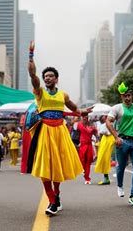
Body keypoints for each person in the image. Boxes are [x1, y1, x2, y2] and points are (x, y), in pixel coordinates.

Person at [27, 44, 89, 216]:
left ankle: (57, 194)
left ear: (56, 79)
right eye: (45, 76)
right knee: (45, 166)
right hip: (44, 131)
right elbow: (32, 75)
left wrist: (82, 112)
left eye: (50, 76)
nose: (47, 78)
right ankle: (52, 200)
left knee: (58, 165)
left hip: (60, 131)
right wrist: (31, 56)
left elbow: (74, 107)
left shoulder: (63, 95)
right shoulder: (39, 92)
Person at [106, 82, 133, 207]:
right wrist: (116, 137)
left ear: (132, 96)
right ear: (121, 97)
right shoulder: (117, 108)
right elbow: (108, 122)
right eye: (125, 96)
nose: (127, 98)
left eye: (129, 96)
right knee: (121, 167)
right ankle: (120, 185)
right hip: (122, 141)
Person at [77, 115, 98, 184]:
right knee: (82, 160)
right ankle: (83, 170)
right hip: (82, 145)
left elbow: (96, 133)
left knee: (88, 162)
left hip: (89, 145)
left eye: (86, 118)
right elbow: (77, 127)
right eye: (83, 118)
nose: (84, 119)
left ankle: (87, 178)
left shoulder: (92, 127)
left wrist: (96, 138)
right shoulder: (80, 125)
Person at [94, 115, 115, 185]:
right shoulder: (103, 125)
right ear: (101, 120)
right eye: (103, 117)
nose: (105, 117)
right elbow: (100, 134)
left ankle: (106, 178)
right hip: (105, 140)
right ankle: (106, 178)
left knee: (105, 159)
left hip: (109, 140)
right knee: (103, 159)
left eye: (106, 116)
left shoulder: (111, 124)